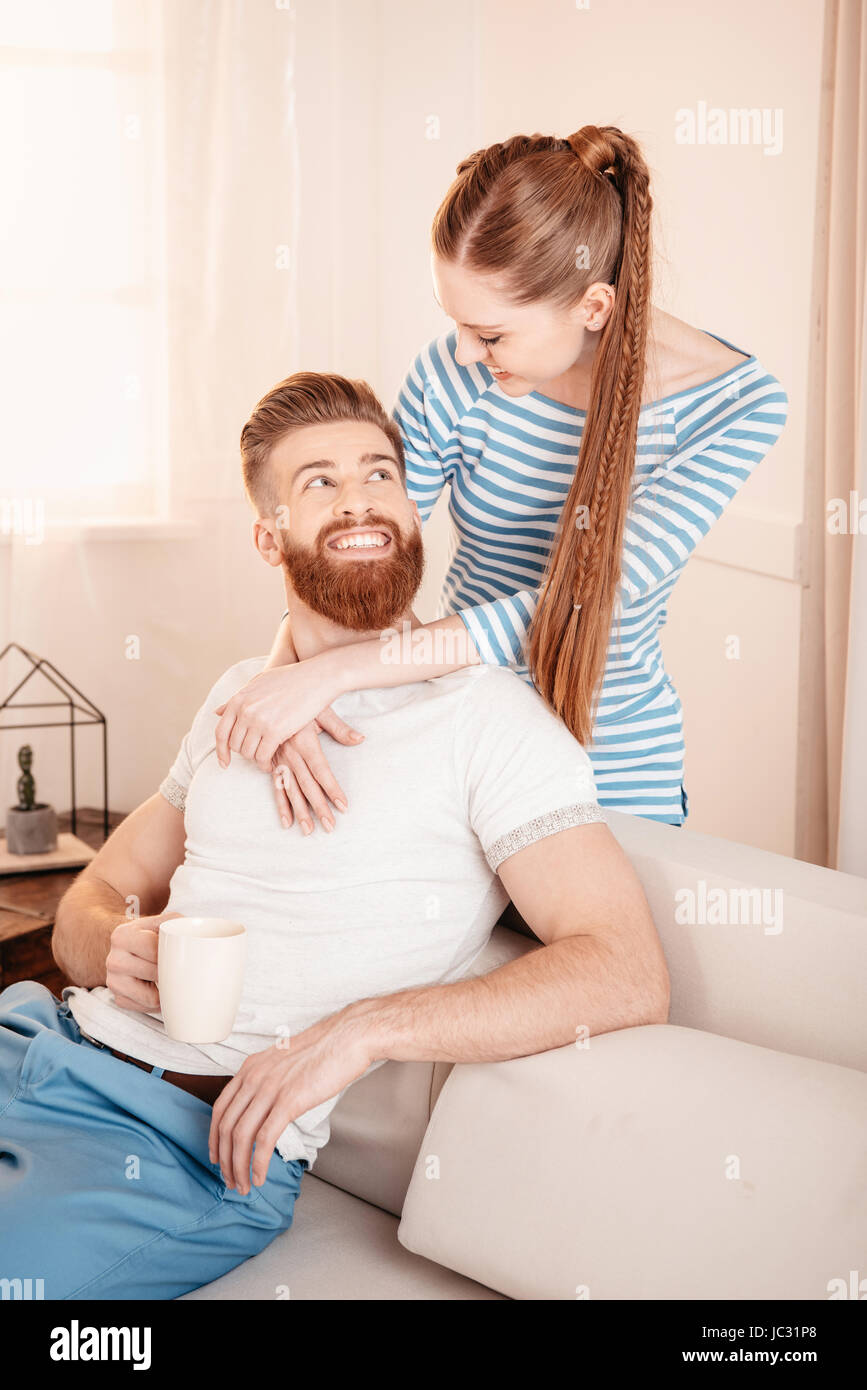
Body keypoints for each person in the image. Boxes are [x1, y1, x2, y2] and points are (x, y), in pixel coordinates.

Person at [0, 372, 669, 1300]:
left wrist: (359, 1032)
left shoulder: (489, 721)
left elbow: (625, 970)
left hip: (181, 1142)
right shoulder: (240, 693)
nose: (359, 498)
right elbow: (96, 888)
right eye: (318, 481)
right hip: (35, 1038)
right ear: (268, 536)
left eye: (380, 473)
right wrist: (108, 943)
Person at [211, 124, 789, 831]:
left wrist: (331, 674)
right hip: (463, 743)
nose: (461, 352)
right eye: (455, 323)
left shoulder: (736, 406)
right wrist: (283, 678)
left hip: (610, 770)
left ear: (592, 307)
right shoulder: (457, 373)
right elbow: (367, 541)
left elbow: (584, 599)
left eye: (488, 335)